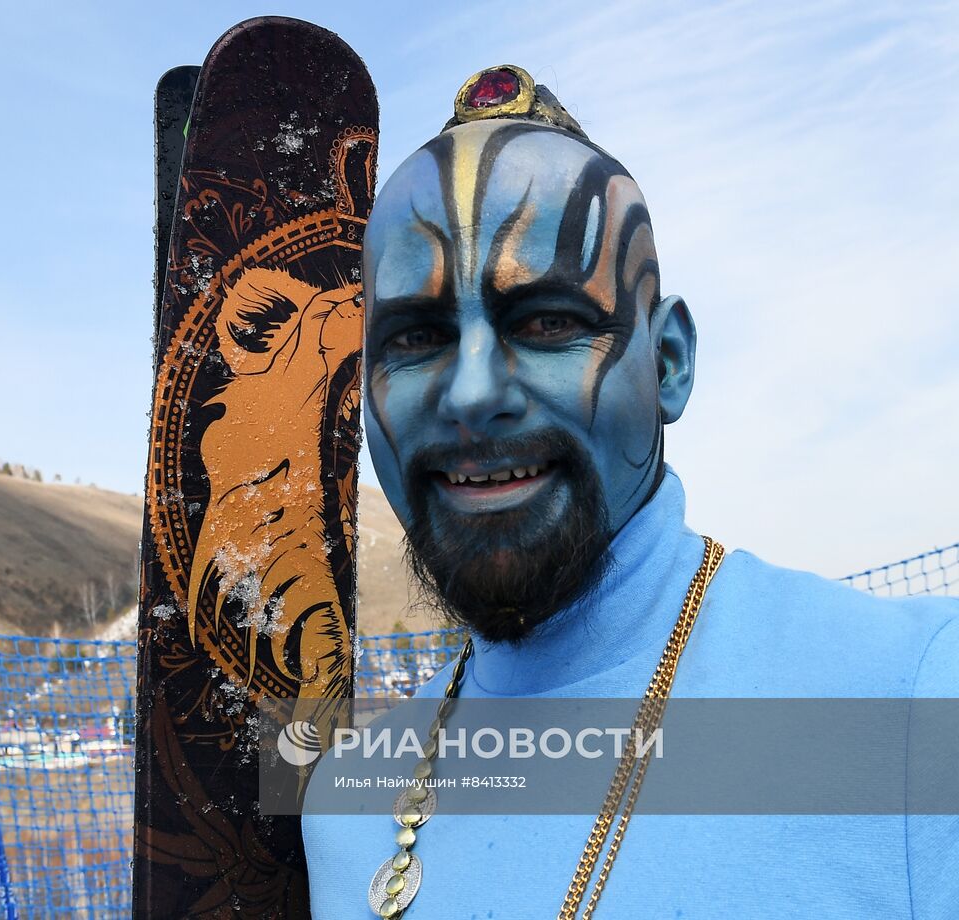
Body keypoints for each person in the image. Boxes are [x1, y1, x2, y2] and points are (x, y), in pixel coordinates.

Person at [302, 65, 959, 918]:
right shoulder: (341, 806)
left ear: (669, 362)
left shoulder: (918, 704)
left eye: (547, 322)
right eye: (417, 337)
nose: (470, 394)